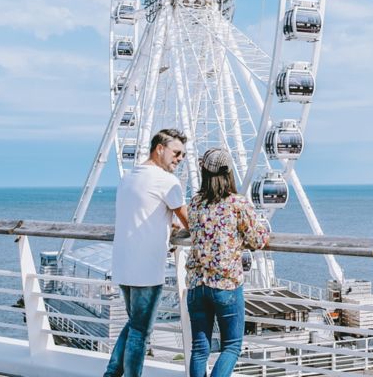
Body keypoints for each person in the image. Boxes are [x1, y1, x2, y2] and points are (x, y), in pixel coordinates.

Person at [105, 128, 190, 377]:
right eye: (176, 153)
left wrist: (167, 223)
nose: (180, 159)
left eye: (183, 155)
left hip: (123, 264)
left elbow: (143, 211)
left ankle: (111, 373)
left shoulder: (129, 177)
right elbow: (190, 223)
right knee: (141, 333)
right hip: (146, 268)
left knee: (135, 324)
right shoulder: (167, 181)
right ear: (160, 148)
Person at [186, 148, 270, 377]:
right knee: (231, 347)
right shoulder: (236, 204)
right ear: (229, 173)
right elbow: (258, 239)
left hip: (196, 285)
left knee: (199, 349)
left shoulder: (194, 204)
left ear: (204, 172)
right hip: (226, 285)